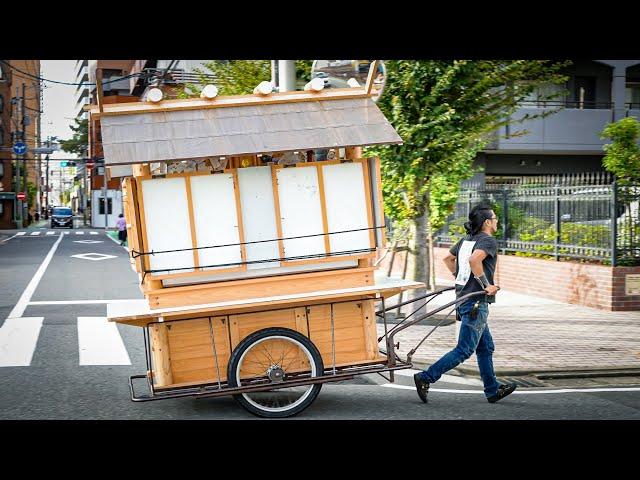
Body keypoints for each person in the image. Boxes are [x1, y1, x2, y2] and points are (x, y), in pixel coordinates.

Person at [413, 203, 517, 404]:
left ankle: (492, 390)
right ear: (487, 222)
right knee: (464, 349)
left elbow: (448, 259)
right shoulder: (487, 241)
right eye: (494, 218)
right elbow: (474, 261)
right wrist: (487, 285)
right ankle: (426, 377)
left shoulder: (467, 240)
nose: (496, 221)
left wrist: (462, 278)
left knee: (485, 347)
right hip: (476, 302)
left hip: (464, 300)